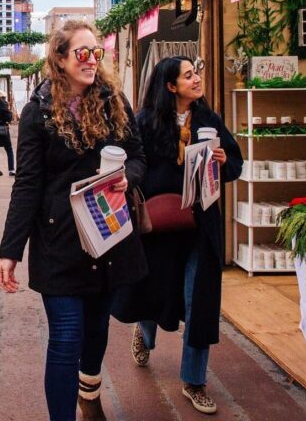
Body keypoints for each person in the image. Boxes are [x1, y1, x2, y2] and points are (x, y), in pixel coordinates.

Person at [0, 20, 147, 421]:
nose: (92, 60)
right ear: (60, 59)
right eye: (82, 53)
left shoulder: (115, 101)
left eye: (97, 53)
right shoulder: (38, 112)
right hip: (59, 240)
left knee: (96, 332)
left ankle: (90, 392)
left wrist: (126, 177)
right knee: (65, 337)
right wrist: (10, 250)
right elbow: (27, 183)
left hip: (109, 235)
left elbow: (139, 155)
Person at [112, 56, 243, 415]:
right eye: (189, 75)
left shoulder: (208, 119)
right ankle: (145, 331)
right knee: (154, 290)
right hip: (157, 226)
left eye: (196, 72)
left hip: (201, 227)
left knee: (198, 300)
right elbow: (130, 164)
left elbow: (235, 161)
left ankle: (194, 380)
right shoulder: (144, 122)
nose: (197, 78)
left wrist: (221, 161)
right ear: (171, 86)